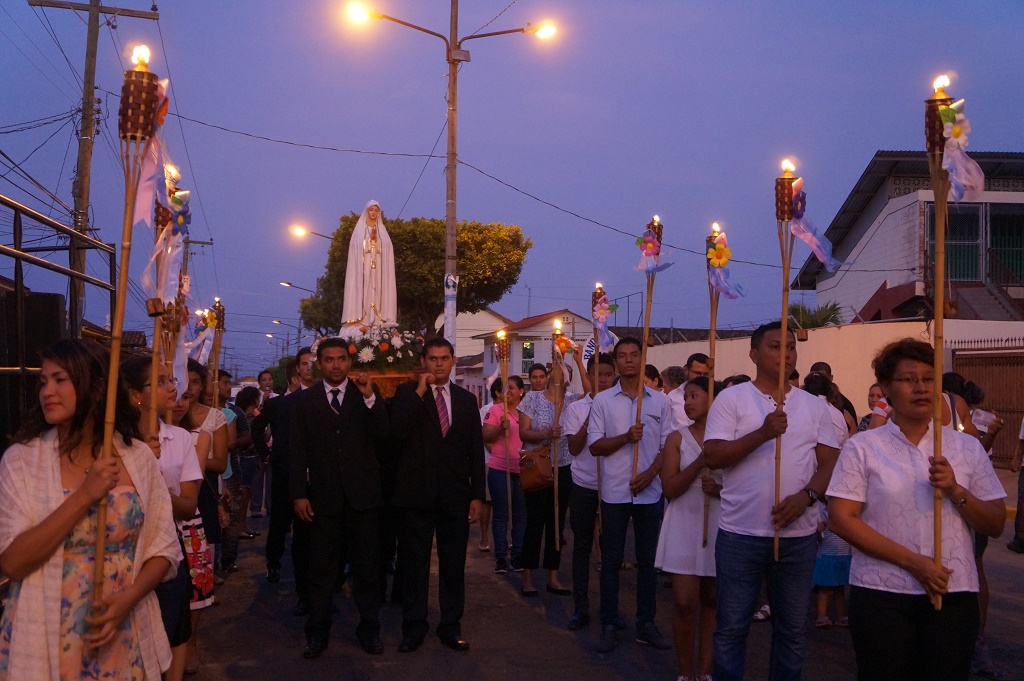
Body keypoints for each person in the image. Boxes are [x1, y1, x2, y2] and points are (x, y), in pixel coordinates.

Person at [827, 338, 1006, 681]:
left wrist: (956, 490)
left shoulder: (965, 448)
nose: (921, 387)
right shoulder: (864, 447)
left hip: (951, 593)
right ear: (886, 390)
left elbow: (996, 522)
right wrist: (915, 563)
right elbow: (841, 519)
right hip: (881, 593)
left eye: (928, 379)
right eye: (909, 379)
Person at [0, 339, 179, 679]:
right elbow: (12, 561)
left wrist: (128, 599)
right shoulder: (22, 462)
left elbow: (164, 548)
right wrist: (84, 495)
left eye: (60, 379)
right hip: (49, 635)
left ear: (95, 387)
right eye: (43, 382)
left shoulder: (138, 458)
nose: (47, 391)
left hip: (123, 632)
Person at [704, 321, 840, 681]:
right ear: (753, 354)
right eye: (775, 346)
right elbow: (714, 455)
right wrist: (763, 433)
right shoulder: (731, 400)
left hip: (797, 537)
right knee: (732, 628)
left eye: (791, 347)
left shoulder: (813, 406)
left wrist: (807, 497)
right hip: (740, 534)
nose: (786, 354)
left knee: (792, 631)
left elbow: (830, 464)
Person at [290, 338, 389, 659]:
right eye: (328, 360)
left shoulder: (367, 396)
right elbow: (296, 453)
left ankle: (370, 630)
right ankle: (317, 633)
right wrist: (298, 495)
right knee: (321, 571)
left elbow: (384, 436)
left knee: (368, 570)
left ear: (350, 362)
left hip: (363, 500)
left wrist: (372, 398)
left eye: (341, 359)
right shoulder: (305, 402)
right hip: (323, 501)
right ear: (318, 363)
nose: (336, 365)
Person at [389, 338, 486, 652]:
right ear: (423, 361)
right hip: (415, 496)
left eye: (445, 358)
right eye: (433, 358)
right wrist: (419, 391)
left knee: (453, 565)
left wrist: (477, 495)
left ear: (453, 361)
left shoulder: (465, 400)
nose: (439, 364)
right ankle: (413, 627)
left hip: (455, 496)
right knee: (414, 565)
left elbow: (475, 450)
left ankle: (450, 626)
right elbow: (396, 433)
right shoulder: (407, 394)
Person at [589, 337, 672, 653]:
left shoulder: (660, 402)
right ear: (615, 361)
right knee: (611, 561)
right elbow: (595, 446)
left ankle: (646, 623)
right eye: (622, 356)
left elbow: (668, 446)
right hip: (614, 493)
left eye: (633, 355)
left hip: (649, 493)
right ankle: (609, 622)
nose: (628, 360)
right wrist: (625, 437)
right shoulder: (603, 401)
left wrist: (650, 475)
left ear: (642, 358)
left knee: (648, 562)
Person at [121, 354, 202, 681]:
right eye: (162, 381)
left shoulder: (179, 439)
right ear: (134, 394)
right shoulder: (112, 442)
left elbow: (187, 506)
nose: (174, 387)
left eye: (172, 379)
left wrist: (151, 483)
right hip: (123, 559)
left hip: (166, 553)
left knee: (169, 636)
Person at [656, 377, 722, 681]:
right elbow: (669, 488)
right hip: (684, 520)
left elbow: (743, 486)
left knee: (712, 599)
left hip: (719, 520)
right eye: (686, 398)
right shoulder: (677, 439)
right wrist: (699, 464)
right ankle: (685, 674)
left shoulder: (729, 439)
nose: (688, 403)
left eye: (694, 396)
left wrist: (718, 489)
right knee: (684, 602)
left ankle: (705, 671)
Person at [518, 349, 590, 598]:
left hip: (563, 468)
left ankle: (553, 575)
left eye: (564, 372)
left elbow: (593, 395)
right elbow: (523, 433)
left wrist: (580, 362)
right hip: (538, 468)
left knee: (557, 524)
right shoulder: (532, 399)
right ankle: (527, 575)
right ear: (548, 376)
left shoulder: (571, 401)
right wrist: (546, 435)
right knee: (535, 522)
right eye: (555, 371)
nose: (558, 375)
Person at [251, 349, 315, 613]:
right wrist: (268, 454)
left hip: (318, 479)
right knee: (280, 521)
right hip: (286, 474)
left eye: (314, 363)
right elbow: (258, 428)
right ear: (296, 370)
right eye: (305, 364)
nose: (310, 368)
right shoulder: (281, 404)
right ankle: (274, 563)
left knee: (313, 534)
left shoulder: (331, 400)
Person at [563, 352, 616, 631]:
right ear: (589, 375)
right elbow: (574, 448)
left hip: (613, 487)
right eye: (597, 374)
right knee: (582, 546)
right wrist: (592, 414)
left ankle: (611, 609)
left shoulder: (624, 405)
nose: (603, 380)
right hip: (583, 484)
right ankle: (580, 607)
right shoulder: (576, 408)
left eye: (608, 374)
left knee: (611, 550)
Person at [183, 359, 228, 673]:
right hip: (168, 501)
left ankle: (191, 640)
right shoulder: (159, 419)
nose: (188, 388)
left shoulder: (214, 418)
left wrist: (190, 455)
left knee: (197, 575)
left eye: (195, 382)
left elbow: (220, 462)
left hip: (202, 498)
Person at [482, 376, 527, 574]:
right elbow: (485, 436)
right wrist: (500, 427)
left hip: (524, 470)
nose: (508, 391)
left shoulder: (526, 412)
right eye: (505, 388)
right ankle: (501, 556)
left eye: (512, 388)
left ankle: (517, 556)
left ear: (521, 392)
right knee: (501, 514)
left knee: (520, 514)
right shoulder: (496, 411)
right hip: (500, 468)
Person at [341, 199, 397, 329]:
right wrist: (369, 240)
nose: (373, 213)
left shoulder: (382, 231)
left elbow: (387, 250)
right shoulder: (359, 231)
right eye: (371, 210)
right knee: (364, 290)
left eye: (376, 210)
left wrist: (377, 242)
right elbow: (356, 248)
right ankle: (363, 318)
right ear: (366, 211)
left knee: (378, 292)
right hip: (363, 268)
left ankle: (377, 319)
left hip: (379, 270)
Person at [666, 353, 709, 432]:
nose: (701, 377)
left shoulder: (713, 397)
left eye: (706, 374)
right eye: (697, 373)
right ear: (686, 370)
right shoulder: (672, 397)